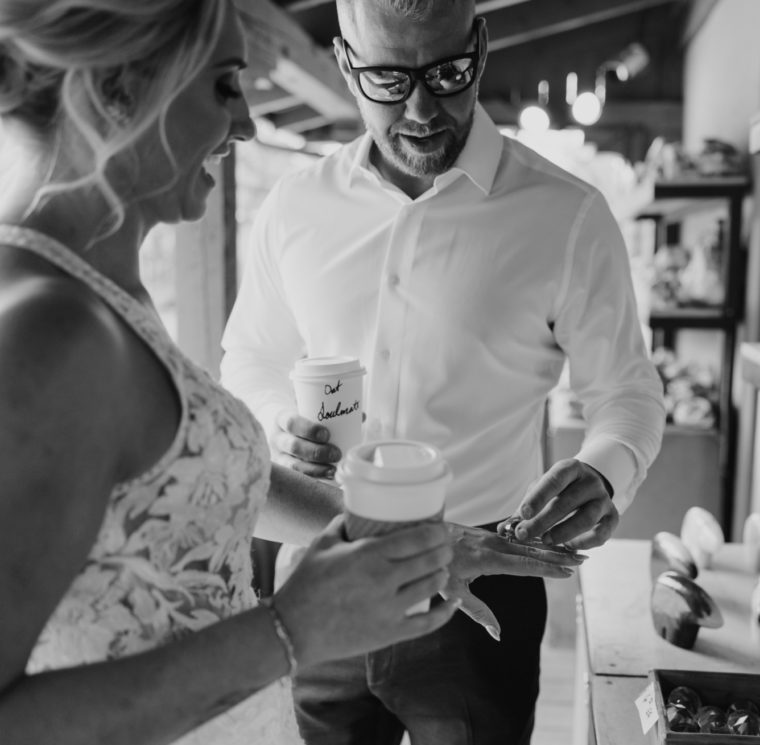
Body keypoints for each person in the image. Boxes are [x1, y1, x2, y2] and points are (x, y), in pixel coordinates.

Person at [0, 2, 467, 743]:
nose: (247, 124)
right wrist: (292, 628)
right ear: (116, 91)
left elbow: (189, 488)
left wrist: (403, 539)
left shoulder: (103, 286)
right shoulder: (49, 330)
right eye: (224, 86)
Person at [219, 0, 666, 742]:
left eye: (447, 72)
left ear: (481, 48)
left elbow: (626, 389)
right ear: (343, 63)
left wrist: (605, 469)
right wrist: (278, 425)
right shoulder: (294, 205)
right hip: (322, 571)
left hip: (483, 583)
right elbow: (251, 356)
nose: (422, 108)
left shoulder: (567, 216)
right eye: (389, 80)